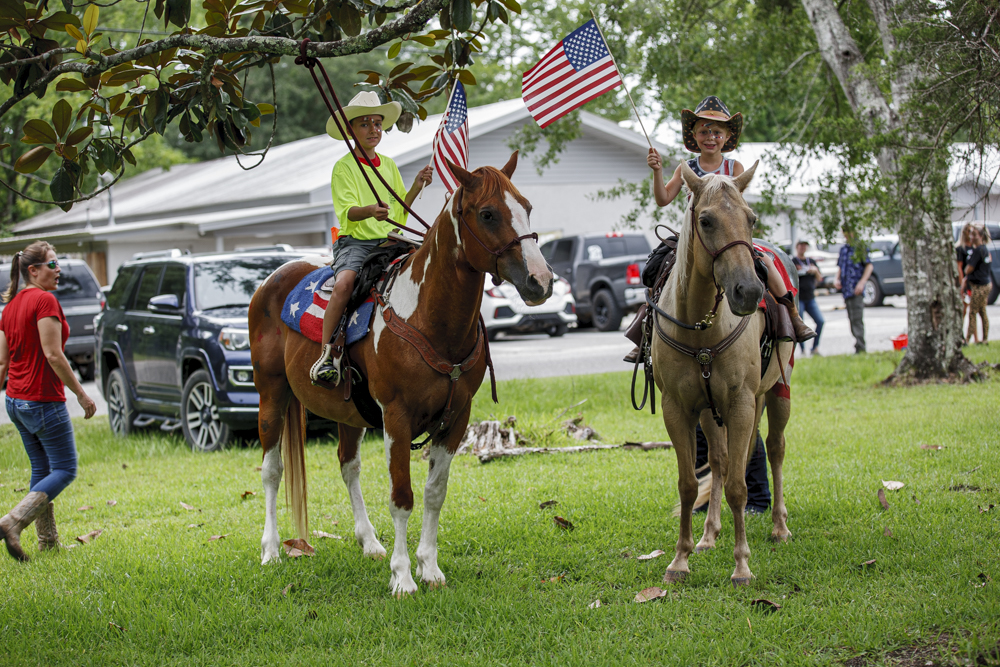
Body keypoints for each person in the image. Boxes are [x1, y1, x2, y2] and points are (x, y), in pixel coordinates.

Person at [625, 96, 814, 363]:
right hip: (695, 238)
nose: (710, 137)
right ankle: (645, 333)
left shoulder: (734, 168)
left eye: (717, 132)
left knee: (766, 262)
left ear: (726, 137)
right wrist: (657, 171)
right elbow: (663, 198)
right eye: (704, 131)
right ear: (694, 136)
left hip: (730, 235)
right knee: (657, 268)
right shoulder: (686, 168)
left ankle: (792, 315)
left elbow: (735, 207)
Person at [310, 91, 433, 385]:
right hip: (356, 243)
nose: (373, 129)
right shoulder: (344, 167)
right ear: (351, 130)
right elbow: (347, 212)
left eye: (377, 123)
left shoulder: (388, 165)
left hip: (390, 241)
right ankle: (325, 355)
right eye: (364, 124)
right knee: (344, 285)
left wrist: (416, 186)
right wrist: (369, 211)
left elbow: (399, 212)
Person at [0, 241, 97, 561]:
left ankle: (48, 542)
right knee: (65, 469)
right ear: (33, 270)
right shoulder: (44, 301)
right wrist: (81, 393)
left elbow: (2, 363)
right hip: (42, 400)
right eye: (53, 264)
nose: (59, 270)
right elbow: (53, 354)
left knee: (42, 469)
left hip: (16, 401)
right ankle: (13, 522)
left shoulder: (10, 306)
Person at [833, 229, 874, 354]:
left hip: (856, 289)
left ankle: (861, 346)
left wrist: (862, 282)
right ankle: (857, 344)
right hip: (846, 289)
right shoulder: (844, 249)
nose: (847, 234)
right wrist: (836, 279)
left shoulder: (860, 247)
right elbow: (841, 267)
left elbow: (869, 265)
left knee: (857, 318)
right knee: (851, 318)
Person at [792, 239, 824, 356]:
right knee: (800, 324)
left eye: (805, 246)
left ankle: (815, 348)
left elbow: (820, 279)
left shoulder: (811, 261)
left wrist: (815, 271)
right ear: (797, 247)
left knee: (820, 321)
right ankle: (803, 350)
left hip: (810, 298)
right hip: (798, 298)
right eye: (801, 245)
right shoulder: (793, 261)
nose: (803, 248)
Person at [962, 224, 992, 344]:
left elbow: (968, 269)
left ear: (981, 236)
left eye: (974, 234)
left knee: (973, 312)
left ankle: (967, 340)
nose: (971, 237)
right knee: (982, 312)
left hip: (980, 286)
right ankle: (985, 339)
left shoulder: (978, 250)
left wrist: (966, 271)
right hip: (985, 284)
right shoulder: (984, 249)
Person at [957, 223, 975, 329]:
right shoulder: (960, 248)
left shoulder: (975, 247)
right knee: (963, 309)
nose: (971, 234)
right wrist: (961, 283)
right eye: (969, 231)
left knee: (974, 311)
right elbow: (959, 267)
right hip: (964, 282)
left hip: (974, 282)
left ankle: (974, 336)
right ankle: (960, 332)